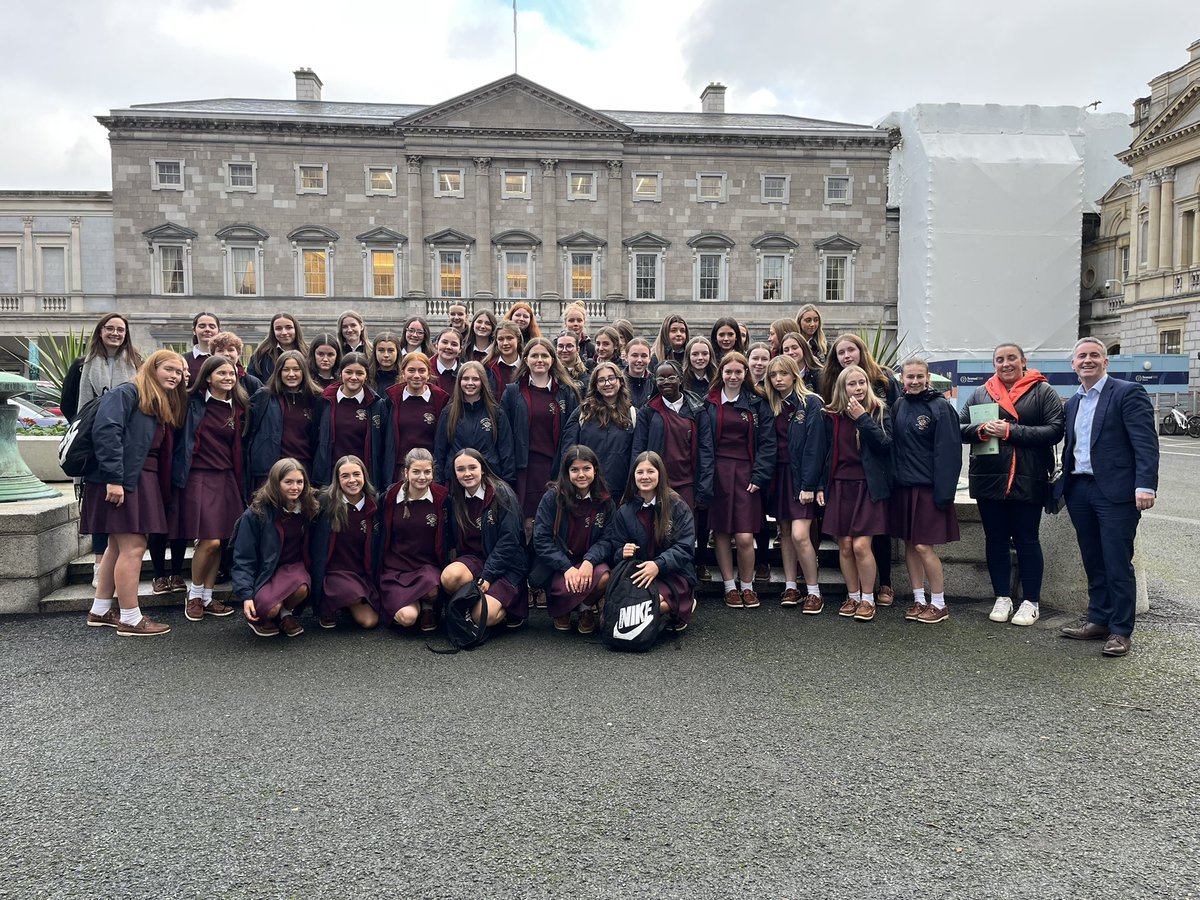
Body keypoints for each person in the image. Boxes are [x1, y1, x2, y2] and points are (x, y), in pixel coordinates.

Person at [1056, 338, 1159, 657]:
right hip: (1080, 489)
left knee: (1117, 561)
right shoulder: (1072, 402)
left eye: (1094, 355)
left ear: (1105, 362)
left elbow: (1145, 443)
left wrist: (1145, 484)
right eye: (1081, 356)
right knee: (1093, 558)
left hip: (1115, 491)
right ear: (1073, 364)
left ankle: (1120, 630)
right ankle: (1099, 619)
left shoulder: (1127, 393)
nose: (1088, 360)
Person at [81, 350, 187, 637]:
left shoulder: (155, 399)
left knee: (117, 547)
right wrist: (115, 480)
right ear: (152, 368)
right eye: (169, 369)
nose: (174, 376)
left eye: (179, 372)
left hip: (138, 477)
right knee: (134, 547)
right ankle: (130, 617)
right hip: (124, 479)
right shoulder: (127, 393)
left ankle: (101, 610)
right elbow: (107, 431)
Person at [960, 342, 1064, 627]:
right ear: (993, 364)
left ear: (1023, 361)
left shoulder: (1043, 391)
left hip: (1027, 477)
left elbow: (1055, 430)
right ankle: (1002, 596)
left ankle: (1031, 600)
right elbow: (958, 427)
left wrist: (1010, 430)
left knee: (1027, 539)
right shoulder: (981, 392)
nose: (1005, 364)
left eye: (1011, 359)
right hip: (989, 477)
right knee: (995, 540)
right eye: (999, 359)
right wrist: (981, 429)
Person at [62, 312, 143, 588]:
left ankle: (116, 563)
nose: (115, 334)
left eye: (120, 330)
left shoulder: (136, 362)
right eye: (110, 328)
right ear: (100, 331)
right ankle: (100, 565)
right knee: (99, 508)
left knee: (120, 507)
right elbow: (69, 405)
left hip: (125, 440)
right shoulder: (82, 365)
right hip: (93, 444)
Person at [820, 333, 901, 606]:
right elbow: (825, 454)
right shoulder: (831, 415)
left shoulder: (879, 411)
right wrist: (821, 485)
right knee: (844, 546)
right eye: (851, 383)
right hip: (840, 485)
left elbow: (885, 445)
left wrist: (863, 419)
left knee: (861, 545)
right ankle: (852, 596)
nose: (857, 387)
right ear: (841, 387)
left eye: (861, 382)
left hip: (868, 486)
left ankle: (869, 597)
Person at [170, 354, 246, 621]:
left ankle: (208, 598)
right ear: (209, 376)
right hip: (198, 476)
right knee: (209, 540)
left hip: (226, 477)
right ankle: (194, 594)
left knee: (221, 541)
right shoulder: (192, 403)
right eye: (221, 373)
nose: (227, 378)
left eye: (231, 374)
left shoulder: (238, 407)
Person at [890, 359, 962, 624]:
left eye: (920, 376)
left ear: (928, 377)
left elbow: (950, 454)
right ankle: (919, 599)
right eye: (910, 377)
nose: (915, 381)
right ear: (902, 379)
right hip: (904, 488)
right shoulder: (898, 404)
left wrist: (945, 493)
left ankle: (939, 603)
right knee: (910, 544)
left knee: (923, 545)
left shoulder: (941, 407)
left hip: (929, 489)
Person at [703, 351, 775, 609]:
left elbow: (768, 443)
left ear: (745, 375)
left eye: (738, 372)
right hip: (718, 473)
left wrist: (760, 475)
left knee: (745, 536)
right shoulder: (709, 403)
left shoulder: (757, 403)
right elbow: (703, 443)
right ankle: (729, 586)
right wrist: (707, 477)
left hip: (747, 474)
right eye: (728, 372)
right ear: (720, 373)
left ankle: (747, 584)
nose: (733, 377)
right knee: (721, 531)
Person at [605, 451, 698, 632]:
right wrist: (621, 551)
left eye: (651, 472)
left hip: (673, 573)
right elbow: (614, 546)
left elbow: (685, 547)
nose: (645, 477)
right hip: (640, 574)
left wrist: (658, 565)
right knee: (637, 606)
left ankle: (681, 605)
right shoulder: (625, 510)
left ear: (660, 474)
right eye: (640, 472)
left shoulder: (677, 506)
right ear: (633, 477)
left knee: (657, 605)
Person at [501, 337, 580, 539]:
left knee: (551, 523)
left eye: (544, 355)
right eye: (534, 355)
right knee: (525, 524)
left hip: (554, 467)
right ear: (525, 359)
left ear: (553, 360)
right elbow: (505, 434)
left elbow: (572, 434)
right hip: (525, 469)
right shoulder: (512, 392)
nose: (539, 360)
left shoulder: (567, 392)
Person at [762, 356, 825, 610]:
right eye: (774, 375)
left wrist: (809, 485)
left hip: (802, 476)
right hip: (779, 476)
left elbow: (815, 447)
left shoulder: (810, 403)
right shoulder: (770, 404)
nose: (778, 379)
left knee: (801, 535)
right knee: (785, 533)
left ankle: (813, 591)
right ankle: (791, 586)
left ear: (794, 375)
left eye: (783, 374)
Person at [440, 448, 528, 628]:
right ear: (454, 473)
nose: (467, 473)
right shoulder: (455, 498)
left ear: (482, 469)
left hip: (507, 564)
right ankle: (474, 600)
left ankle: (509, 608)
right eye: (461, 469)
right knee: (449, 577)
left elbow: (509, 541)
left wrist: (488, 575)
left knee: (482, 616)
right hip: (475, 559)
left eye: (472, 467)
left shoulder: (502, 494)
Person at [233, 458, 319, 639]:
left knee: (302, 588)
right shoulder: (256, 513)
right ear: (275, 482)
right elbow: (243, 557)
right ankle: (271, 614)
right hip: (264, 572)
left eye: (299, 482)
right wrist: (246, 595)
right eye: (288, 482)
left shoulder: (307, 507)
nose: (295, 487)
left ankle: (286, 614)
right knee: (269, 609)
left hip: (291, 567)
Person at [532, 445, 614, 633]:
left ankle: (585, 607)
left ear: (595, 470)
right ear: (566, 472)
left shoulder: (605, 500)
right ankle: (564, 610)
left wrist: (589, 561)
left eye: (586, 468)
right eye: (575, 469)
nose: (581, 474)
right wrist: (566, 567)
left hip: (588, 563)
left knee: (604, 577)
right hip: (560, 564)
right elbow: (541, 540)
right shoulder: (552, 498)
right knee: (567, 585)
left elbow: (608, 539)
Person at [378, 448, 452, 631]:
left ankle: (427, 606)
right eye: (416, 471)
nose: (422, 477)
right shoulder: (388, 499)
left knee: (432, 589)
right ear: (406, 472)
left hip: (427, 569)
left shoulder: (443, 500)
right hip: (396, 570)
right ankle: (414, 606)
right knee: (407, 618)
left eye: (427, 472)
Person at [310, 455, 382, 630]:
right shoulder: (325, 502)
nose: (352, 480)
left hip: (361, 573)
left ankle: (345, 604)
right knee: (354, 596)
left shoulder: (374, 503)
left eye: (356, 474)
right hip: (334, 572)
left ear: (364, 476)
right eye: (345, 476)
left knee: (370, 621)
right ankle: (329, 604)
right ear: (337, 479)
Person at [246, 350, 321, 492]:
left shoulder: (316, 399)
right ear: (279, 372)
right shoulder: (264, 397)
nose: (291, 374)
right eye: (286, 369)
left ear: (304, 371)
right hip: (271, 470)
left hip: (304, 469)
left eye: (296, 369)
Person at [562, 362, 636, 504]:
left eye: (611, 378)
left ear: (620, 381)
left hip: (619, 492)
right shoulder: (583, 412)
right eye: (601, 380)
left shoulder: (632, 414)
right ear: (595, 385)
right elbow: (568, 449)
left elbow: (635, 453)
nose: (607, 383)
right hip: (586, 488)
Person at [312, 352, 386, 488]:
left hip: (362, 478)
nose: (354, 377)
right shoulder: (324, 401)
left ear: (366, 376)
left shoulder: (376, 405)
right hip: (329, 477)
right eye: (349, 372)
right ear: (340, 373)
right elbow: (314, 437)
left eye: (359, 373)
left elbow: (381, 444)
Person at [434, 360, 515, 486]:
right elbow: (439, 452)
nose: (470, 383)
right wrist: (439, 483)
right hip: (456, 481)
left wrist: (507, 483)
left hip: (489, 479)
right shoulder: (448, 413)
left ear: (483, 382)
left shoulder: (496, 413)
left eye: (475, 379)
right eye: (465, 379)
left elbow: (506, 451)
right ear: (459, 382)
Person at [383, 351, 450, 485]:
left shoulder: (440, 400)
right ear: (403, 373)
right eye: (411, 370)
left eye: (421, 370)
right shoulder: (392, 400)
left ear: (429, 373)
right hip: (400, 470)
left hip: (429, 471)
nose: (416, 375)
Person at [248, 312, 306, 383]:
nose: (284, 332)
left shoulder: (308, 354)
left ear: (296, 329)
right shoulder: (260, 356)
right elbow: (251, 384)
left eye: (289, 327)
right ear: (273, 331)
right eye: (278, 329)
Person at [484, 320, 523, 391]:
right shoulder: (488, 367)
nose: (505, 343)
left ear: (518, 339)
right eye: (501, 339)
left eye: (509, 338)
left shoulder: (527, 366)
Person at [185, 311, 221, 384]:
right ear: (194, 331)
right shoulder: (184, 360)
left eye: (212, 326)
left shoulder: (226, 358)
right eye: (202, 326)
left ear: (219, 331)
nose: (207, 329)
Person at [623, 337, 656, 407]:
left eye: (644, 356)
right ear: (626, 357)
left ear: (649, 358)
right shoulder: (618, 381)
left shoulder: (655, 383)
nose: (639, 360)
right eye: (635, 355)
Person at [431, 328, 463, 395]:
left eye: (454, 344)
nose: (448, 347)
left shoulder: (465, 372)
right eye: (444, 342)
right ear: (436, 344)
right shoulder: (425, 369)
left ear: (460, 349)